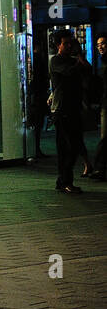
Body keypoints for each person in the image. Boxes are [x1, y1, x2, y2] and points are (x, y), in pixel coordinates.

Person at [49, 29, 93, 194]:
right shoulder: (56, 61)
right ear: (58, 45)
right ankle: (65, 180)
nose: (68, 46)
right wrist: (78, 62)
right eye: (65, 43)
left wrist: (80, 57)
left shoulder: (73, 60)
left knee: (73, 144)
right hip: (62, 109)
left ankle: (64, 180)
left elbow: (87, 70)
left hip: (74, 107)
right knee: (67, 147)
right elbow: (69, 72)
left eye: (70, 43)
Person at [29, 35, 50, 158]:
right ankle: (36, 148)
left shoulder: (32, 59)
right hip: (39, 95)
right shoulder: (39, 60)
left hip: (36, 94)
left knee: (36, 122)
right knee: (38, 122)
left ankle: (35, 148)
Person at [91, 35, 107, 180]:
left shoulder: (103, 62)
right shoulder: (102, 61)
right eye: (98, 45)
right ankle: (99, 168)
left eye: (103, 44)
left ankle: (99, 168)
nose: (100, 47)